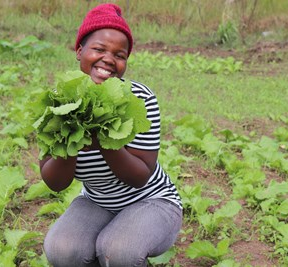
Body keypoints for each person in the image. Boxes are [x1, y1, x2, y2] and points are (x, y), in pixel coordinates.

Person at [39, 3, 182, 267]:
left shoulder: (140, 99)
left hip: (151, 200)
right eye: (99, 49)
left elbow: (139, 177)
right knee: (62, 249)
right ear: (80, 51)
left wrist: (103, 140)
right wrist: (74, 137)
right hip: (97, 201)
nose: (109, 59)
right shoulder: (60, 102)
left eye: (120, 54)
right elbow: (55, 182)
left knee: (117, 251)